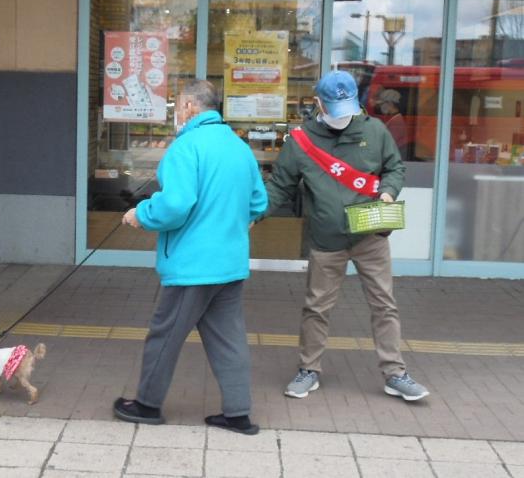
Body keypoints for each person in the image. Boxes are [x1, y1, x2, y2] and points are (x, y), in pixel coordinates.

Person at [114, 80, 268, 434]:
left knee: (164, 335)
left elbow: (176, 205)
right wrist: (240, 222)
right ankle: (238, 413)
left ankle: (147, 405)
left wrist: (142, 213)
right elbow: (259, 202)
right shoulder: (238, 146)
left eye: (176, 106)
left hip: (192, 266)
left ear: (188, 107)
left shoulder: (186, 148)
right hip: (229, 264)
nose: (176, 114)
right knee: (228, 339)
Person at [265, 70, 429, 402]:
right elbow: (279, 187)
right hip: (327, 239)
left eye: (348, 109)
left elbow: (395, 168)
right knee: (317, 307)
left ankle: (394, 373)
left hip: (370, 235)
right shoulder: (300, 142)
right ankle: (308, 369)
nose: (343, 118)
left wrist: (387, 192)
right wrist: (250, 215)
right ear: (318, 103)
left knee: (384, 304)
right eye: (335, 110)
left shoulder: (374, 130)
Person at [375, 88, 413, 161]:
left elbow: (387, 145)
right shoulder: (394, 119)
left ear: (390, 103)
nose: (380, 107)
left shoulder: (396, 122)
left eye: (382, 104)